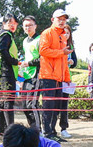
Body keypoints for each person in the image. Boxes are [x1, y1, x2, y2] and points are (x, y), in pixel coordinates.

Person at [38, 8, 72, 140]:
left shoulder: (63, 36)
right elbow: (43, 51)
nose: (62, 21)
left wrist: (67, 77)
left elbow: (64, 60)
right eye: (59, 19)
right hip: (48, 76)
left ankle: (52, 132)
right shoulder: (47, 33)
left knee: (56, 107)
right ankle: (47, 133)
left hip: (59, 78)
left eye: (64, 19)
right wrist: (61, 52)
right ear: (53, 20)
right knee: (48, 106)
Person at [0, 15, 19, 129]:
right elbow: (1, 50)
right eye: (9, 23)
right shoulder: (6, 35)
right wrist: (14, 61)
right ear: (3, 24)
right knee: (8, 101)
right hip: (6, 72)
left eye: (15, 23)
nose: (12, 25)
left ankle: (1, 129)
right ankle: (10, 129)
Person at [17, 16, 41, 129]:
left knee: (32, 104)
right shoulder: (24, 41)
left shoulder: (40, 39)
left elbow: (43, 58)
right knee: (24, 106)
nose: (28, 28)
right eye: (26, 26)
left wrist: (30, 63)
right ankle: (32, 129)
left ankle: (38, 130)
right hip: (26, 76)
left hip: (36, 74)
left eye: (30, 25)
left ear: (35, 26)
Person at [58, 24, 78, 138]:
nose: (65, 34)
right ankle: (50, 128)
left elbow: (75, 61)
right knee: (54, 104)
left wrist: (72, 62)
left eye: (68, 33)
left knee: (64, 105)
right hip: (56, 77)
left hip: (67, 79)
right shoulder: (56, 44)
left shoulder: (70, 46)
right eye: (63, 32)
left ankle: (64, 128)